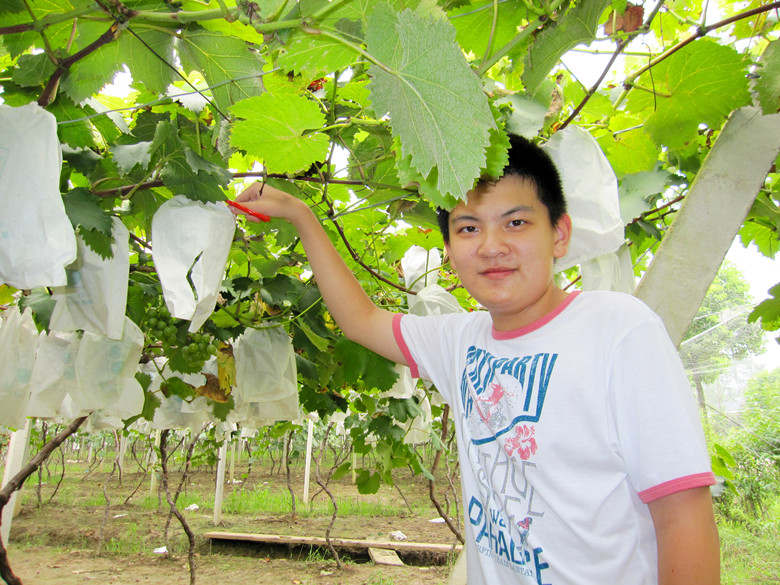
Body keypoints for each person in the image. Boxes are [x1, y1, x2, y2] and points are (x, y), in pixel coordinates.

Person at [231, 134, 720, 585]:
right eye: (468, 228)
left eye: (516, 222)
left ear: (560, 234)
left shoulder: (618, 329)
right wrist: (301, 215)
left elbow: (682, 513)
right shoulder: (462, 341)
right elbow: (360, 320)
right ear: (448, 249)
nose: (491, 246)